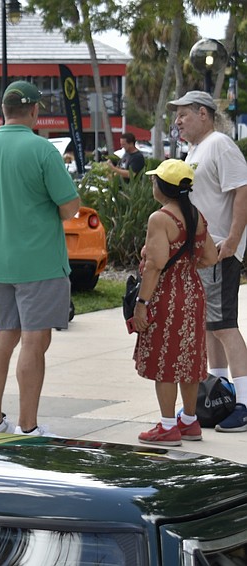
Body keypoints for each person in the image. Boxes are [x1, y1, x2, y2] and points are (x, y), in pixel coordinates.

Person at [0, 81, 80, 436]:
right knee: (33, 341)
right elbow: (70, 208)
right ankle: (28, 426)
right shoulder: (42, 151)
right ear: (35, 111)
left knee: (1, 337)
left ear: (3, 112)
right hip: (40, 261)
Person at [169, 90, 247, 433]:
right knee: (208, 326)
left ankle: (244, 404)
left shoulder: (221, 144)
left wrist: (232, 240)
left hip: (219, 250)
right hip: (202, 253)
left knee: (224, 325)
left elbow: (242, 190)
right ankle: (219, 394)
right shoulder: (196, 149)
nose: (177, 121)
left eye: (183, 114)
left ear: (203, 113)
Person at [133, 159, 218, 446]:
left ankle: (168, 426)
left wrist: (142, 302)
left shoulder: (160, 218)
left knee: (166, 359)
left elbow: (155, 266)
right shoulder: (196, 215)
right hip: (193, 293)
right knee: (189, 358)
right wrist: (184, 265)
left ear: (162, 187)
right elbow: (210, 258)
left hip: (167, 295)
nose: (152, 184)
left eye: (155, 180)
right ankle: (190, 421)